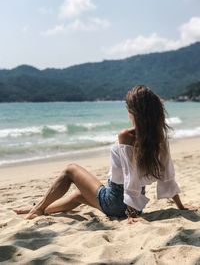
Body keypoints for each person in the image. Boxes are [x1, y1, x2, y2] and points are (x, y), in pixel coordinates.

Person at [14, 85, 197, 223]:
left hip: (118, 202)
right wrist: (180, 206)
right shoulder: (159, 135)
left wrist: (130, 214)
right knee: (79, 195)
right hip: (135, 204)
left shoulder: (126, 135)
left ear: (133, 112)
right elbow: (167, 174)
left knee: (71, 169)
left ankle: (37, 209)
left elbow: (130, 176)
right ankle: (39, 209)